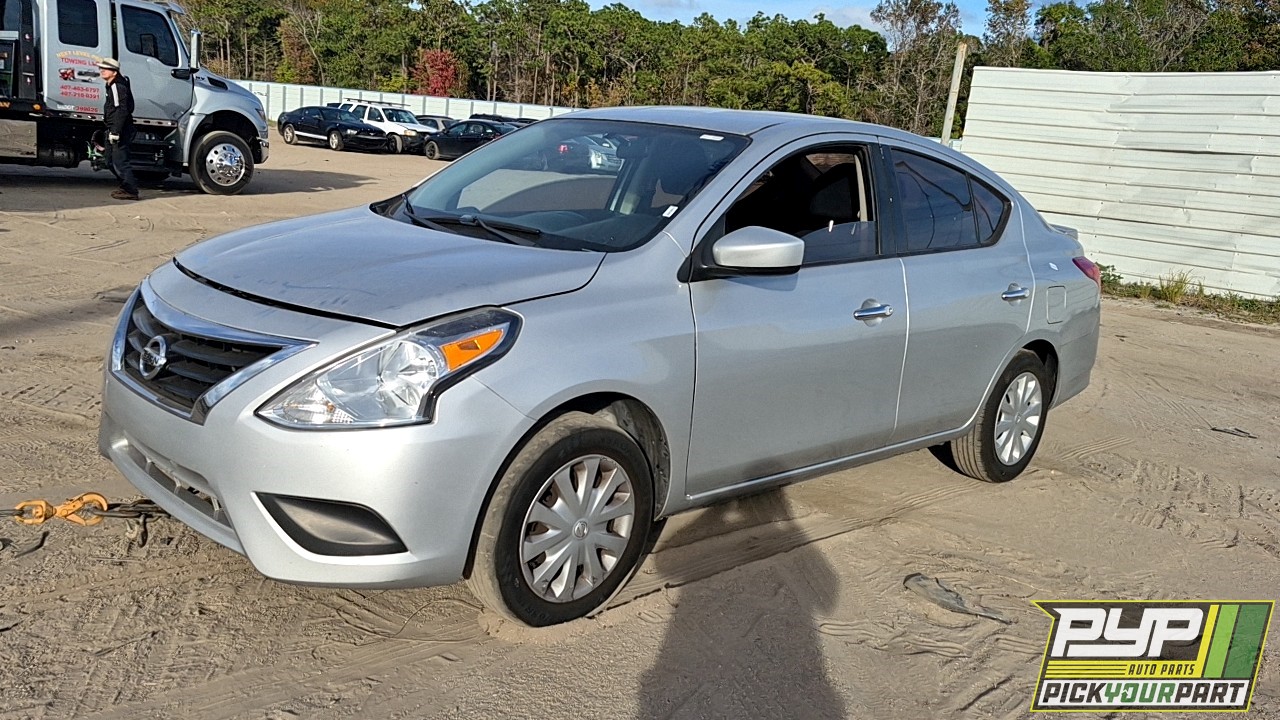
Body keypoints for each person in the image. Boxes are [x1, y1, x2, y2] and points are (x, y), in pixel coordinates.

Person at [98, 58, 139, 201]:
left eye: (105, 68)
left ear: (114, 72)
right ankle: (124, 186)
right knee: (109, 160)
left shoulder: (117, 86)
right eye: (101, 68)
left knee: (120, 161)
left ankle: (131, 190)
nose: (101, 70)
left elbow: (122, 110)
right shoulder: (111, 85)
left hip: (120, 130)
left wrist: (116, 131)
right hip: (113, 128)